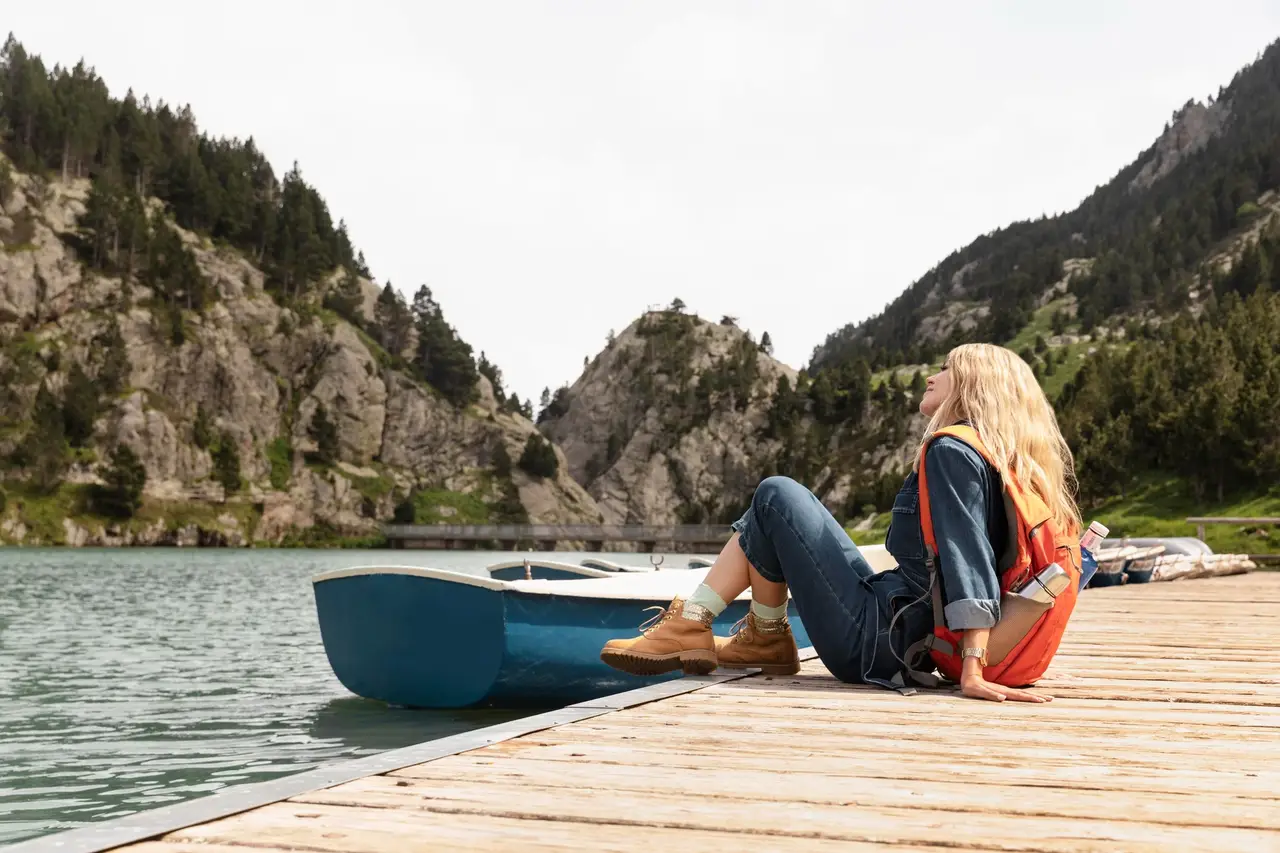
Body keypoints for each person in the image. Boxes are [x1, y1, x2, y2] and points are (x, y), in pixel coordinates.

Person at [599, 342, 1082, 702]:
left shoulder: (955, 450)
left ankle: (711, 624)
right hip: (897, 627)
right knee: (778, 510)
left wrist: (974, 667)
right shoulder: (1005, 462)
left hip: (877, 642)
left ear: (974, 385)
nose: (932, 377)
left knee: (776, 495)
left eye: (946, 369)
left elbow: (966, 557)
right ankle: (759, 636)